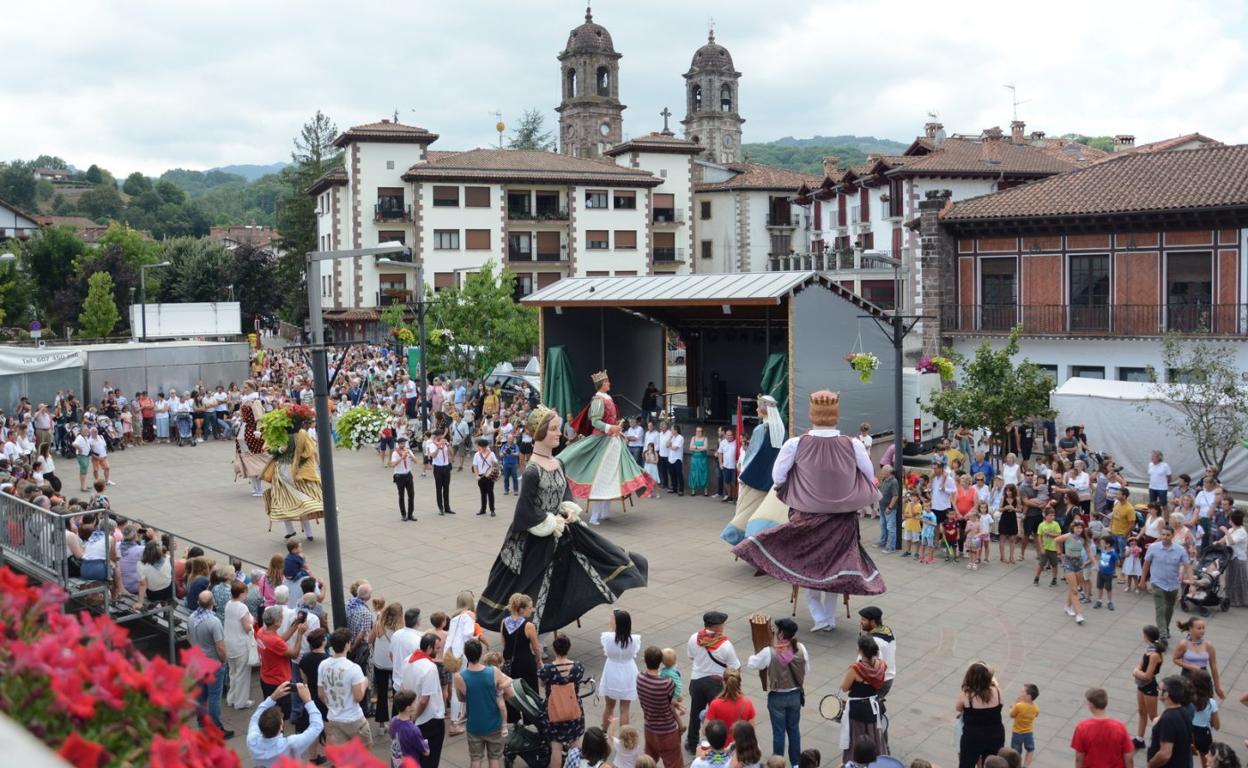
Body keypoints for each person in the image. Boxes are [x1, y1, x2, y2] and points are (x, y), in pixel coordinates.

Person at [477, 406, 648, 633]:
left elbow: (566, 493)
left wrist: (568, 509)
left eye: (558, 428)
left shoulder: (559, 463)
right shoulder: (532, 471)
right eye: (554, 429)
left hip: (562, 529)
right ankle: (533, 630)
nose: (559, 433)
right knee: (536, 587)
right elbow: (525, 511)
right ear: (540, 433)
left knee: (592, 559)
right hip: (536, 538)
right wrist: (549, 521)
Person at [732, 391, 883, 632]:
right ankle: (827, 619)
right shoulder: (852, 443)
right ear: (836, 414)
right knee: (835, 568)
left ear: (812, 413)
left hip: (807, 516)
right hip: (841, 520)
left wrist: (799, 484)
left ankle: (822, 619)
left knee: (809, 565)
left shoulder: (796, 443)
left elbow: (778, 476)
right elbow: (867, 472)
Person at [559, 371, 655, 525]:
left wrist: (619, 431)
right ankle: (595, 515)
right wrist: (612, 428)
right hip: (603, 442)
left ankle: (604, 512)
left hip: (613, 441)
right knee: (601, 478)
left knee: (611, 479)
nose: (609, 383)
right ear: (602, 384)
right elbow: (595, 422)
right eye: (607, 381)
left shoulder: (607, 398)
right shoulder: (598, 399)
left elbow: (610, 421)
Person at [746, 617, 806, 765]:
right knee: (794, 730)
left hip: (777, 697)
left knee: (778, 732)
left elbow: (751, 664)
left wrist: (757, 652)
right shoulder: (801, 648)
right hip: (795, 695)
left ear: (780, 634)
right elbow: (806, 670)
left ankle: (777, 763)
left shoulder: (769, 652)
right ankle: (796, 764)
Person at [261, 407, 322, 541]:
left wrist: (299, 462)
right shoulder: (278, 433)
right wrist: (279, 450)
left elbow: (309, 451)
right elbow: (268, 448)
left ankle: (309, 533)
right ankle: (291, 530)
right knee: (281, 500)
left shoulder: (302, 434)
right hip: (281, 471)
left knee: (300, 500)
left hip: (294, 472)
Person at [685, 610, 740, 755]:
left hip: (696, 681)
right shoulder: (726, 645)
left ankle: (692, 743)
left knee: (695, 713)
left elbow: (691, 656)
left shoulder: (694, 638)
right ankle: (717, 743)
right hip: (716, 684)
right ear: (716, 627)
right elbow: (735, 667)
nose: (723, 626)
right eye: (722, 624)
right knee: (716, 715)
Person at [455, 638, 511, 768]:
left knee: (475, 759)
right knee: (494, 758)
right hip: (494, 724)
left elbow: (462, 698)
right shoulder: (494, 671)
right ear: (480, 653)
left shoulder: (459, 677)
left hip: (474, 725)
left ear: (465, 653)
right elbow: (506, 689)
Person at [539, 633, 587, 768]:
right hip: (573, 709)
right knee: (576, 743)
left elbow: (542, 684)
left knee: (556, 748)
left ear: (554, 650)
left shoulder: (547, 669)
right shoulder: (577, 667)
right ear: (569, 648)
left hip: (554, 711)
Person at [247, 681, 323, 767]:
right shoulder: (291, 744)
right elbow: (317, 726)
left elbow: (255, 718)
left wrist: (272, 697)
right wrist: (308, 700)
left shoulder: (252, 741)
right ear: (280, 727)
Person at [400, 632, 448, 768]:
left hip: (413, 716)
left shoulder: (408, 659)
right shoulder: (429, 668)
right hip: (429, 720)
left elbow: (403, 686)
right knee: (430, 759)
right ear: (429, 648)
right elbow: (424, 700)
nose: (439, 651)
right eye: (437, 648)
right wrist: (415, 717)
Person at [319, 627, 373, 746]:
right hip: (353, 719)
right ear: (348, 644)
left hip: (334, 718)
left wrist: (333, 707)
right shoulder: (353, 668)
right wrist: (364, 683)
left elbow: (321, 694)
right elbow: (358, 697)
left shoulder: (323, 665)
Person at [190, 590, 233, 738]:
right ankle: (216, 728)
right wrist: (223, 661)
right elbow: (220, 647)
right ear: (212, 603)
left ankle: (202, 723)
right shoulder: (214, 622)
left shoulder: (192, 617)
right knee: (214, 697)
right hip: (212, 664)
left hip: (197, 662)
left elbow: (189, 637)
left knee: (201, 696)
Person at [839, 635, 887, 764]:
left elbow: (844, 688)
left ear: (861, 650)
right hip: (872, 707)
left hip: (857, 708)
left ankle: (855, 762)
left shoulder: (856, 669)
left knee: (857, 737)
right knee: (873, 735)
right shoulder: (881, 665)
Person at [1140, 526, 1192, 640]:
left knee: (1169, 608)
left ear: (1172, 536)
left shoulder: (1180, 550)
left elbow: (1187, 566)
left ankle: (1165, 628)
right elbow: (1146, 564)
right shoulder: (1153, 548)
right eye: (1163, 535)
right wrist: (1142, 580)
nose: (1165, 537)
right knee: (1160, 609)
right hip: (1157, 583)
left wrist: (1192, 583)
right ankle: (1162, 635)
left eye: (1168, 535)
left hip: (1173, 585)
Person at [637, 644, 685, 768]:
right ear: (660, 662)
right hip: (667, 731)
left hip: (649, 728)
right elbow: (672, 701)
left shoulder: (640, 678)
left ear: (645, 660)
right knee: (674, 763)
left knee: (648, 762)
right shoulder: (666, 683)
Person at [956, 661, 1005, 768]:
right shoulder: (998, 691)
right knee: (992, 765)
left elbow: (958, 708)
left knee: (966, 764)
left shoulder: (967, 695)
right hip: (995, 735)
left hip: (973, 738)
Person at [1070, 688, 1132, 768]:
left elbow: (1079, 758)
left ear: (1091, 705)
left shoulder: (1082, 728)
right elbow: (1129, 757)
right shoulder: (1120, 727)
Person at [601, 609, 641, 730]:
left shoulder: (607, 637)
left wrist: (610, 630)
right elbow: (634, 653)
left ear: (617, 623)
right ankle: (625, 738)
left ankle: (604, 733)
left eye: (612, 618)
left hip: (611, 671)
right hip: (629, 671)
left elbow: (606, 650)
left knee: (609, 706)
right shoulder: (634, 640)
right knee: (625, 709)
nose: (610, 620)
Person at [1172, 618, 1227, 699]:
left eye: (1203, 628)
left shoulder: (1208, 645)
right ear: (1191, 628)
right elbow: (1175, 659)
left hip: (1203, 677)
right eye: (1199, 628)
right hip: (1187, 676)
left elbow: (1214, 667)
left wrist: (1217, 687)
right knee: (1188, 703)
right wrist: (1190, 666)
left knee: (1205, 703)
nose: (1202, 631)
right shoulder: (1183, 644)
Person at [1147, 677, 1193, 768]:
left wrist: (1150, 764)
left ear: (1166, 694)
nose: (1157, 690)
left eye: (1159, 689)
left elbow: (1165, 754)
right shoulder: (1184, 711)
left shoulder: (1168, 719)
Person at [500, 593, 541, 695]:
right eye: (529, 608)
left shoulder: (504, 622)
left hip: (509, 663)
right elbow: (536, 648)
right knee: (531, 694)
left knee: (513, 694)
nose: (531, 610)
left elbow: (504, 643)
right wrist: (539, 660)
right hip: (526, 664)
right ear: (521, 609)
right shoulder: (529, 626)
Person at [224, 580, 256, 710]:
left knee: (233, 672)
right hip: (240, 644)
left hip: (229, 642)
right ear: (241, 593)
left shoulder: (228, 604)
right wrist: (253, 626)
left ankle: (231, 698)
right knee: (242, 674)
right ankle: (241, 702)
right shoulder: (242, 607)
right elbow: (247, 627)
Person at [703, 669, 755, 746]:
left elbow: (705, 730)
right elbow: (751, 730)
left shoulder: (715, 704)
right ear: (739, 683)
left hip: (720, 745)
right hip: (739, 745)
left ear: (723, 682)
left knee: (702, 714)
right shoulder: (748, 703)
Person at [235, 383, 268, 497]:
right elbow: (243, 416)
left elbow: (259, 418)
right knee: (248, 459)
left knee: (255, 459)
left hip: (252, 431)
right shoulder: (246, 401)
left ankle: (259, 488)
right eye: (243, 387)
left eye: (246, 387)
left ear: (252, 388)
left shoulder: (255, 400)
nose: (243, 389)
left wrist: (258, 430)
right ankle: (255, 487)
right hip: (244, 431)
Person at [858, 607, 895, 698]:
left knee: (867, 709)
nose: (861, 622)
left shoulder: (874, 640)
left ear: (873, 622)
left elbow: (872, 664)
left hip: (878, 681)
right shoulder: (886, 631)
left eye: (864, 620)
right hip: (888, 678)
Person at [390, 690, 432, 768]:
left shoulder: (393, 721)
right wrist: (425, 743)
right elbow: (426, 752)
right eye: (415, 702)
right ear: (408, 708)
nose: (416, 704)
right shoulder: (413, 730)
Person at [1187, 670, 1220, 768]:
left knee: (1186, 756)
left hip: (1188, 731)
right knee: (1206, 759)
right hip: (1203, 734)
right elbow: (1217, 726)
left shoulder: (1187, 699)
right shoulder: (1211, 702)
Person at [1215, 509, 1247, 607]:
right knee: (1230, 579)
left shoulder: (1241, 532)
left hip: (1239, 558)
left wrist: (1225, 531)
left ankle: (1241, 600)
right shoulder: (1231, 530)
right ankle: (1231, 598)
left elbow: (1232, 541)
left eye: (1230, 519)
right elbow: (1224, 540)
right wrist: (1216, 543)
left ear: (1233, 520)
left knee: (1239, 580)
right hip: (1231, 557)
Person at [1008, 684, 1038, 767]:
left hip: (1017, 733)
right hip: (1029, 733)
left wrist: (1012, 706)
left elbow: (1012, 715)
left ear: (1028, 696)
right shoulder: (1035, 707)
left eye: (1022, 692)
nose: (1020, 693)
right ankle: (1026, 766)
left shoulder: (1019, 706)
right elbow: (1036, 714)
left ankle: (1017, 766)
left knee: (1016, 752)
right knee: (1030, 749)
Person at [472, 437, 500, 517]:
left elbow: (496, 464)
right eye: (482, 446)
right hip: (481, 476)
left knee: (490, 493)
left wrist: (494, 459)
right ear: (479, 446)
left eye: (485, 446)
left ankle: (492, 510)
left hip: (489, 476)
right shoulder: (477, 455)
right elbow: (475, 466)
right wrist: (476, 475)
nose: (483, 448)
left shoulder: (491, 454)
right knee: (482, 493)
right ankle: (483, 509)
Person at [392, 437, 417, 521]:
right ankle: (403, 514)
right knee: (401, 496)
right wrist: (401, 458)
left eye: (404, 443)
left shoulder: (408, 451)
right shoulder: (395, 453)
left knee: (411, 495)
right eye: (401, 443)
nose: (403, 445)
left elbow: (416, 461)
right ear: (398, 444)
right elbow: (393, 464)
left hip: (408, 475)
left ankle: (410, 514)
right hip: (399, 476)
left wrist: (410, 456)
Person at [431, 432, 454, 515]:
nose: (440, 437)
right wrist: (438, 447)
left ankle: (447, 507)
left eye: (441, 436)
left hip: (446, 467)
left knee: (446, 488)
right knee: (439, 488)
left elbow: (452, 453)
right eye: (438, 436)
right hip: (438, 468)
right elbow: (433, 456)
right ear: (435, 437)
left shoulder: (445, 443)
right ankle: (440, 508)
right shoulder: (432, 445)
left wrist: (448, 445)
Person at [688, 427, 709, 497]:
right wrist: (700, 448)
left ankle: (705, 490)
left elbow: (705, 448)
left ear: (702, 432)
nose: (698, 433)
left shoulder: (705, 438)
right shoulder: (693, 438)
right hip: (694, 459)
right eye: (697, 431)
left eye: (700, 431)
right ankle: (693, 490)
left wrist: (695, 448)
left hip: (703, 459)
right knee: (694, 473)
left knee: (703, 473)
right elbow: (690, 448)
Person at [668, 425, 686, 497]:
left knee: (679, 474)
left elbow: (675, 448)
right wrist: (669, 439)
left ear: (676, 430)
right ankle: (674, 488)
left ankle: (681, 490)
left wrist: (670, 446)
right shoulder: (672, 437)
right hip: (670, 458)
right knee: (672, 474)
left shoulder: (680, 438)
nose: (671, 431)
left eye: (672, 430)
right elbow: (667, 445)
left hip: (677, 459)